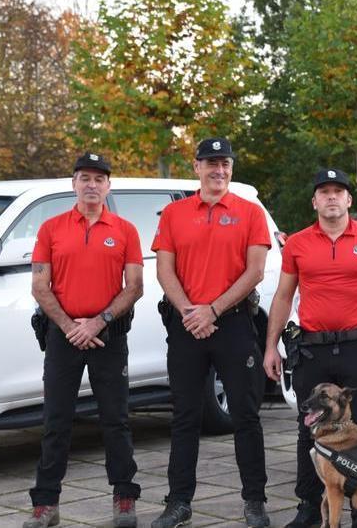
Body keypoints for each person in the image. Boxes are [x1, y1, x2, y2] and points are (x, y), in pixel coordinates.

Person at [263, 168, 357, 528]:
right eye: (324, 192)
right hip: (313, 350)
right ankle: (308, 507)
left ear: (349, 200)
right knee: (307, 429)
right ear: (314, 201)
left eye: (338, 191)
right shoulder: (297, 243)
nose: (331, 197)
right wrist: (270, 347)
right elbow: (283, 296)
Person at [151, 137, 272, 528]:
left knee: (246, 416)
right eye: (211, 163)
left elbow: (254, 271)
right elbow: (163, 270)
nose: (218, 170)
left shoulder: (250, 212)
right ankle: (179, 502)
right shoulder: (174, 214)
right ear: (196, 167)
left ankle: (255, 502)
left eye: (225, 164)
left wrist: (213, 309)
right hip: (186, 324)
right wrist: (190, 310)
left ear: (231, 169)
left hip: (233, 323)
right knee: (185, 417)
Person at [23, 152, 144, 528]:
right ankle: (45, 505)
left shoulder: (126, 230)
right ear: (73, 183)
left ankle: (124, 497)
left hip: (109, 335)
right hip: (62, 337)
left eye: (99, 179)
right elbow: (39, 287)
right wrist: (70, 326)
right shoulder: (51, 229)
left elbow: (135, 287)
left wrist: (97, 323)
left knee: (116, 419)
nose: (91, 185)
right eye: (84, 178)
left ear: (108, 185)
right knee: (56, 420)